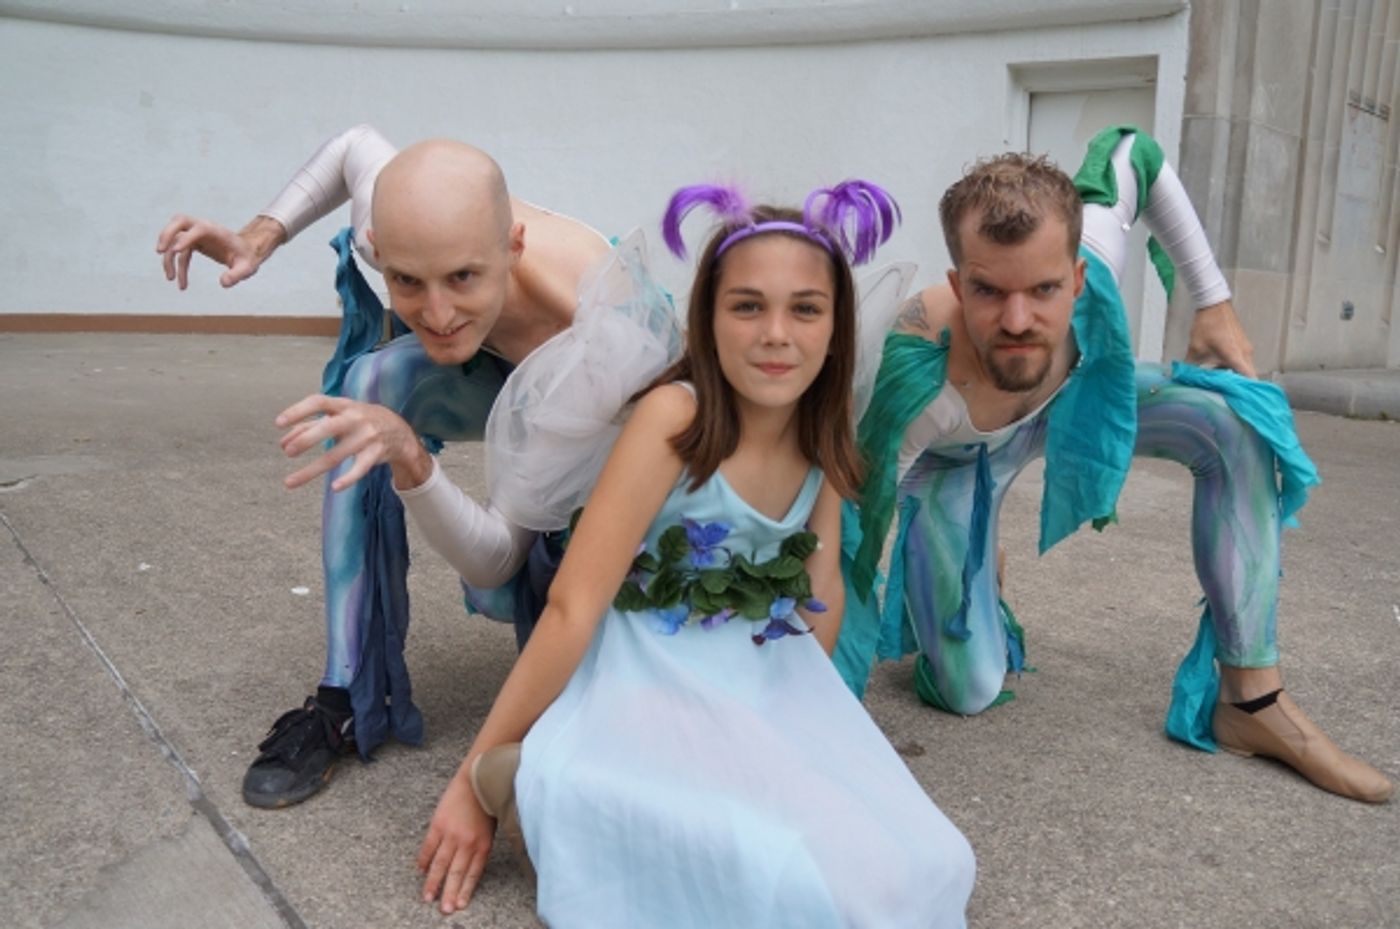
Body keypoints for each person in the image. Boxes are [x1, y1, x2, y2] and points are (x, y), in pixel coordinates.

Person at [413, 181, 977, 925]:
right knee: (767, 870)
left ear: (836, 329)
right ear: (708, 321)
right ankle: (522, 777)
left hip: (761, 674)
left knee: (931, 867)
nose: (776, 332)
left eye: (805, 308)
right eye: (747, 305)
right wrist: (465, 773)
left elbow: (822, 593)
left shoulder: (825, 426)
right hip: (651, 670)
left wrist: (814, 739)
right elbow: (573, 604)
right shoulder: (675, 416)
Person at [838, 128, 1393, 804]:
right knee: (969, 688)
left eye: (1044, 289)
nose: (1018, 320)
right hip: (955, 461)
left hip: (1069, 405)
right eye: (989, 292)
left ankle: (1251, 699)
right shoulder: (917, 375)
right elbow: (853, 536)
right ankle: (978, 569)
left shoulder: (1095, 248)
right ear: (958, 283)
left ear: (1077, 276)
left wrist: (1212, 298)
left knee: (1237, 419)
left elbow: (1133, 152)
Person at [156, 125, 679, 808]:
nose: (434, 313)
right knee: (369, 381)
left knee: (576, 596)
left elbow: (495, 557)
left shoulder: (593, 346)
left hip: (592, 386)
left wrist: (412, 460)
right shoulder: (400, 229)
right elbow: (353, 147)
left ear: (512, 246)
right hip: (500, 355)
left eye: (463, 276)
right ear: (377, 249)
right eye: (407, 282)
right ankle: (344, 694)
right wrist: (262, 234)